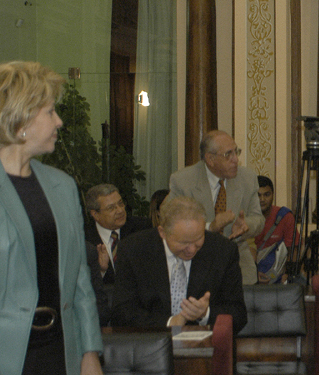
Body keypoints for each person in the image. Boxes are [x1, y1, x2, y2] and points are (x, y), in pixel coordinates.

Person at [0, 61, 104, 375]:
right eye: (50, 111)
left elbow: (79, 280)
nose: (59, 122)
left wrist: (89, 351)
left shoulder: (61, 185)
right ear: (21, 119)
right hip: (6, 364)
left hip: (59, 355)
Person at [112, 196, 248, 334]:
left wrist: (205, 314)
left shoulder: (223, 250)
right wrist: (170, 323)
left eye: (198, 240)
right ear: (163, 232)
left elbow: (238, 315)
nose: (192, 250)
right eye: (184, 243)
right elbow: (122, 312)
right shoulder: (134, 249)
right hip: (149, 344)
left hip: (205, 347)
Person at [167, 130, 264, 285]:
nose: (235, 160)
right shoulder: (183, 181)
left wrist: (246, 226)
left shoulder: (247, 178)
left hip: (238, 263)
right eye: (228, 154)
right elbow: (170, 224)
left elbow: (258, 219)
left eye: (236, 152)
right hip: (195, 260)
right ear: (210, 159)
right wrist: (209, 227)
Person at [84, 183, 151, 284]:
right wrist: (101, 271)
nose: (120, 210)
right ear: (95, 214)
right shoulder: (84, 239)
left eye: (120, 203)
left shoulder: (142, 228)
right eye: (111, 208)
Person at [253, 175, 297, 283]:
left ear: (273, 195)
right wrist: (253, 274)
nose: (262, 199)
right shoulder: (246, 219)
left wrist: (288, 274)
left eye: (266, 194)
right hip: (253, 276)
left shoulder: (285, 217)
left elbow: (294, 249)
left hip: (281, 278)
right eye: (258, 195)